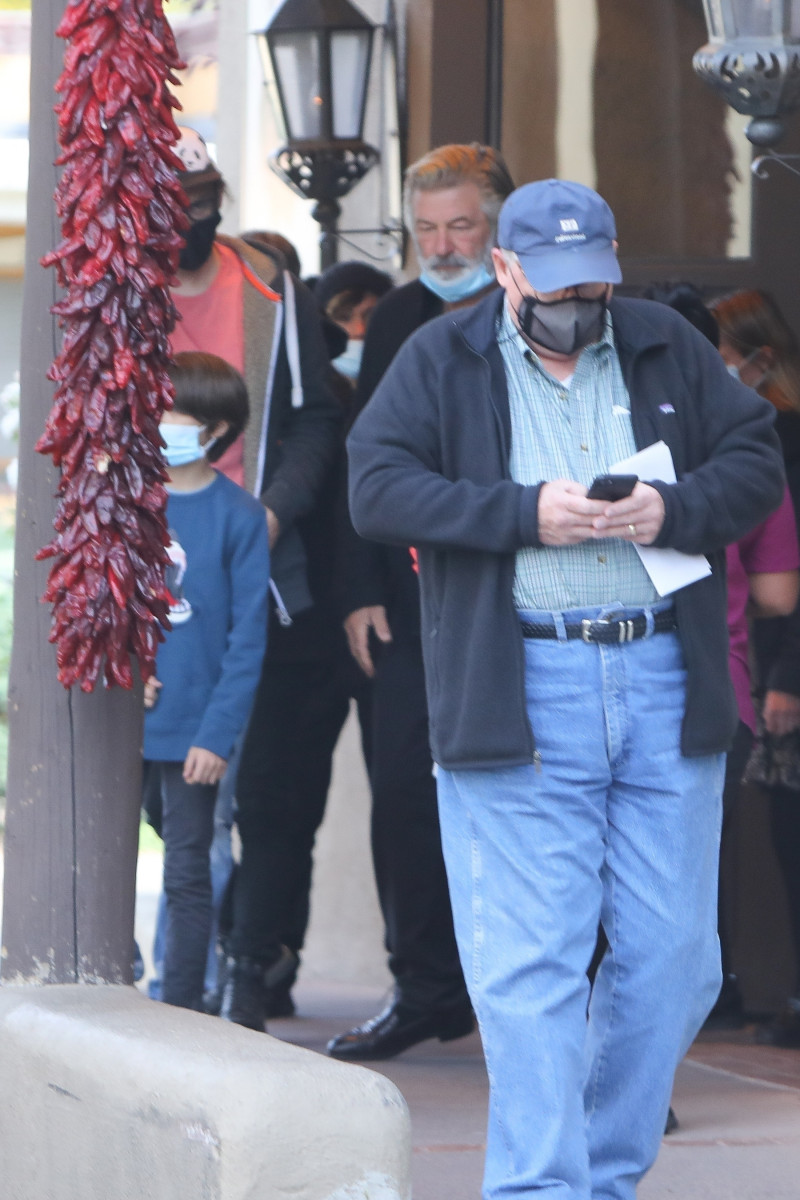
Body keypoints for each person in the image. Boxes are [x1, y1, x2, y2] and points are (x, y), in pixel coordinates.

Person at [348, 178, 784, 1200]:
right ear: (503, 268)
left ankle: (600, 1174)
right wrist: (519, 514)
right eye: (550, 287)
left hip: (658, 678)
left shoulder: (661, 341)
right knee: (529, 966)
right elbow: (373, 486)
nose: (573, 307)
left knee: (677, 962)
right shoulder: (440, 356)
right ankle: (545, 1189)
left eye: (591, 285)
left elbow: (753, 464)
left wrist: (668, 511)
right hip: (520, 681)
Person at [328, 143, 515, 1062]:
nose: (443, 246)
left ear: (500, 226)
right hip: (408, 604)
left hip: (527, 600)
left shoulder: (555, 308)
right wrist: (360, 591)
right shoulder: (398, 315)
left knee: (536, 801)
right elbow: (364, 464)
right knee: (404, 791)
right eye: (428, 228)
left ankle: (570, 1024)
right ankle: (427, 989)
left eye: (462, 227)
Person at [165, 128, 340, 1024]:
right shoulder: (119, 291)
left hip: (253, 568)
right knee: (159, 796)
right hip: (151, 576)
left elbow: (316, 427)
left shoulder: (272, 297)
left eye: (195, 203)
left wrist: (272, 512)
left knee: (240, 790)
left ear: (217, 201)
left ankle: (223, 981)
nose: (180, 223)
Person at [216, 258, 393, 1028]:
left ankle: (263, 963)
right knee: (280, 807)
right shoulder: (279, 420)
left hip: (344, 622)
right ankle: (259, 960)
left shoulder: (346, 407)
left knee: (300, 809)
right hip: (300, 625)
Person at [143, 352, 270, 1013]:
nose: (161, 425)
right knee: (105, 853)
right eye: (157, 411)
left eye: (177, 417)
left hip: (197, 731)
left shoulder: (240, 517)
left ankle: (181, 1011)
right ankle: (110, 987)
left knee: (188, 873)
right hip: (128, 725)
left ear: (216, 431)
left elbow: (249, 641)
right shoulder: (127, 504)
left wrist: (217, 736)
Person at [712, 288, 800, 1046]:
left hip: (773, 669)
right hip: (758, 665)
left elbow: (785, 585)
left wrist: (786, 677)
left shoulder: (776, 437)